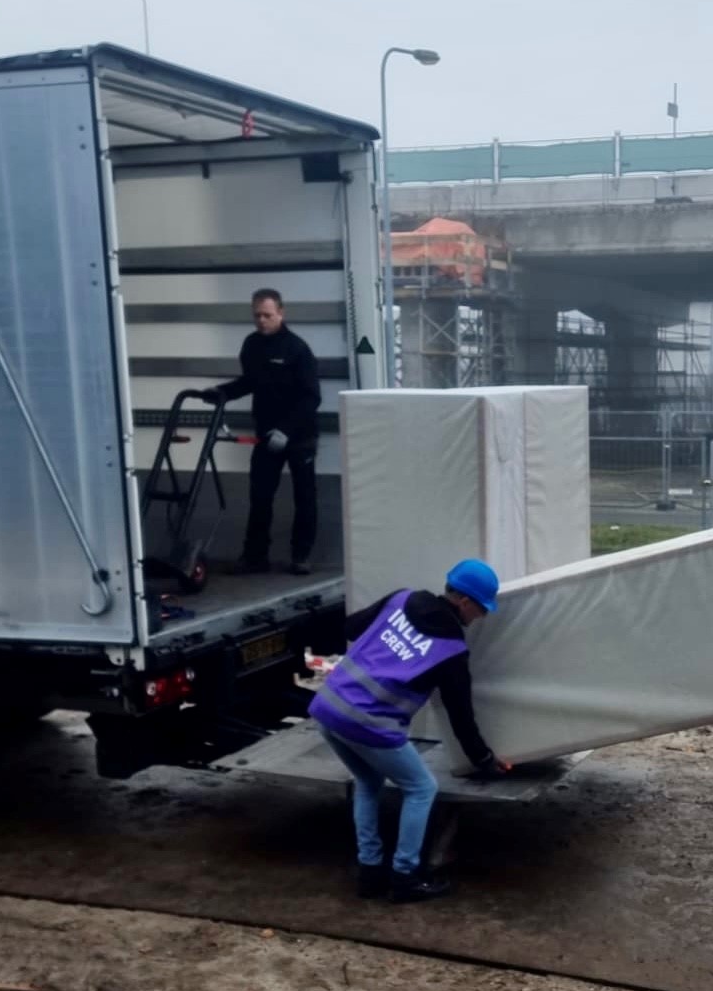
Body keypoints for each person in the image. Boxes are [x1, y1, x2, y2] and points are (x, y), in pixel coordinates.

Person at [309, 559, 512, 904]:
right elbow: (461, 717)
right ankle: (405, 877)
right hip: (368, 722)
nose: (482, 617)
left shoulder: (401, 599)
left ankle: (370, 872)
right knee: (421, 788)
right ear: (464, 601)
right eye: (482, 609)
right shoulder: (451, 650)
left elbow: (351, 627)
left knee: (368, 782)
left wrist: (392, 644)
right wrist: (484, 760)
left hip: (328, 707)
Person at [205, 289, 321, 575]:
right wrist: (222, 393)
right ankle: (255, 556)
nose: (261, 320)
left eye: (267, 315)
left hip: (299, 436)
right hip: (266, 435)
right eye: (257, 315)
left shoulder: (297, 349)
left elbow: (311, 397)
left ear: (281, 313)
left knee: (304, 497)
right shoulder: (252, 345)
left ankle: (301, 556)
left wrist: (286, 430)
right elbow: (250, 382)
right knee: (260, 496)